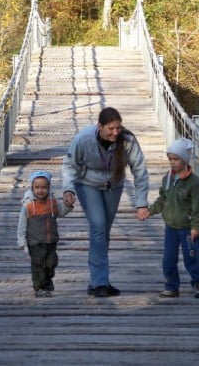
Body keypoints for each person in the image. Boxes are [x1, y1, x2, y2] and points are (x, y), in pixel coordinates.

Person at [62, 107, 149, 298]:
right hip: (87, 184)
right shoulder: (84, 139)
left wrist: (141, 202)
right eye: (110, 128)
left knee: (103, 232)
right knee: (98, 226)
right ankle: (100, 281)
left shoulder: (127, 141)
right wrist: (68, 189)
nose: (115, 132)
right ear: (99, 126)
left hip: (114, 185)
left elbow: (140, 171)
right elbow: (70, 165)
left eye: (118, 128)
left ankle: (97, 281)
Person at [144, 138, 199, 298]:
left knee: (191, 257)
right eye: (170, 159)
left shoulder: (194, 183)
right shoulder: (168, 179)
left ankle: (198, 284)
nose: (172, 163)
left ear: (185, 160)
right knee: (168, 259)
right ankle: (172, 286)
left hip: (187, 228)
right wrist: (150, 211)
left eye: (176, 159)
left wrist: (195, 227)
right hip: (171, 227)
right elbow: (162, 199)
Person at [17, 170, 73, 297]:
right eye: (37, 187)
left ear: (49, 188)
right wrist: (22, 240)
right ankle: (39, 287)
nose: (40, 190)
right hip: (34, 242)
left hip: (51, 240)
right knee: (39, 265)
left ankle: (47, 281)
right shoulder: (28, 205)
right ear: (32, 188)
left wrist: (68, 206)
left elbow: (60, 212)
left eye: (44, 187)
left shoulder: (52, 202)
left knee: (52, 262)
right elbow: (22, 225)